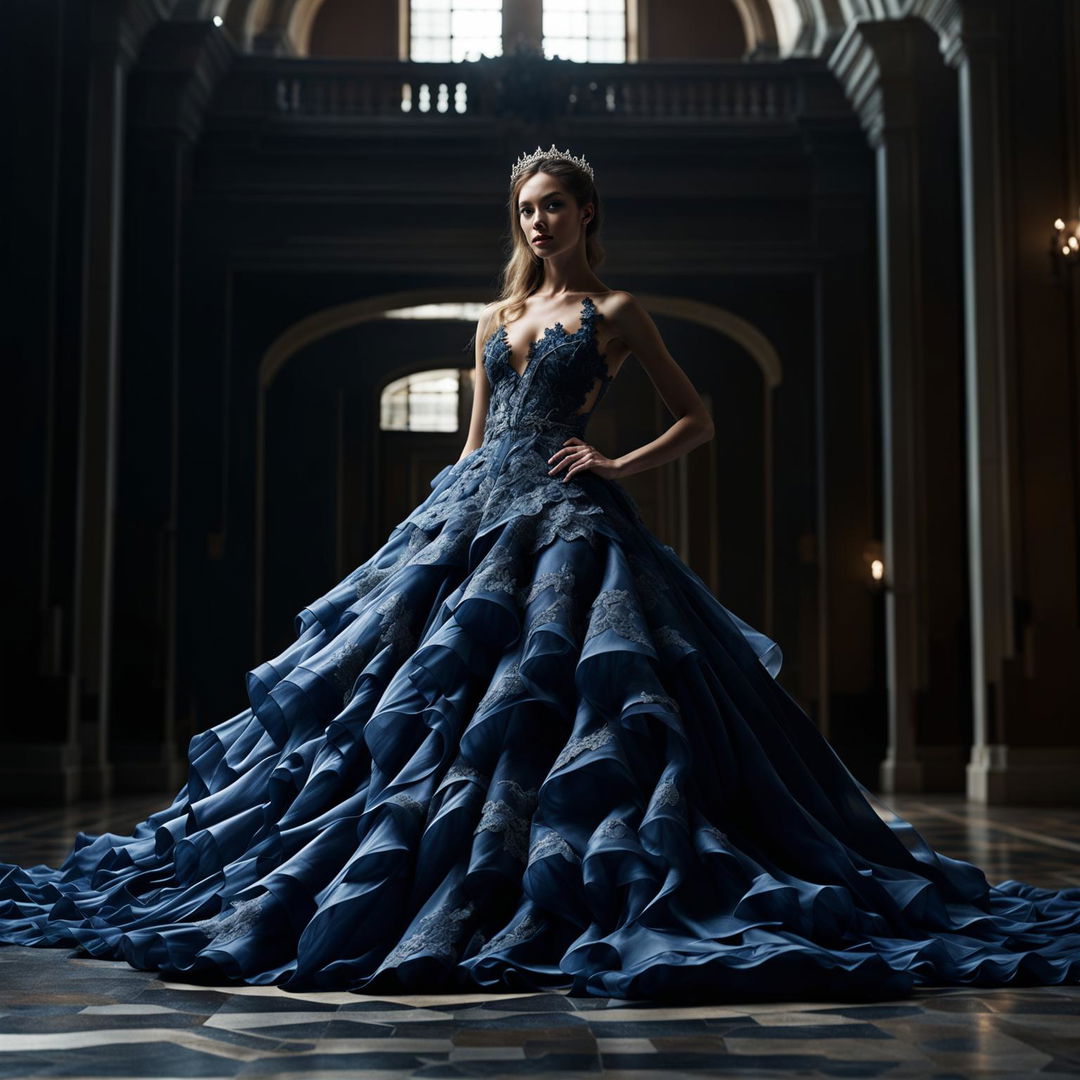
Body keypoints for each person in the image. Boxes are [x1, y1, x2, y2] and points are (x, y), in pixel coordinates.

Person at [1, 145, 1078, 1002]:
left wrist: (618, 460)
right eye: (525, 208)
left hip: (570, 515)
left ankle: (555, 872)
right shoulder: (494, 319)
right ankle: (435, 872)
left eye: (554, 204)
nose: (537, 221)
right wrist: (426, 528)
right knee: (419, 699)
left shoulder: (614, 315)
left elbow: (700, 417)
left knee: (566, 700)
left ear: (588, 214)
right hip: (474, 514)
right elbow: (472, 442)